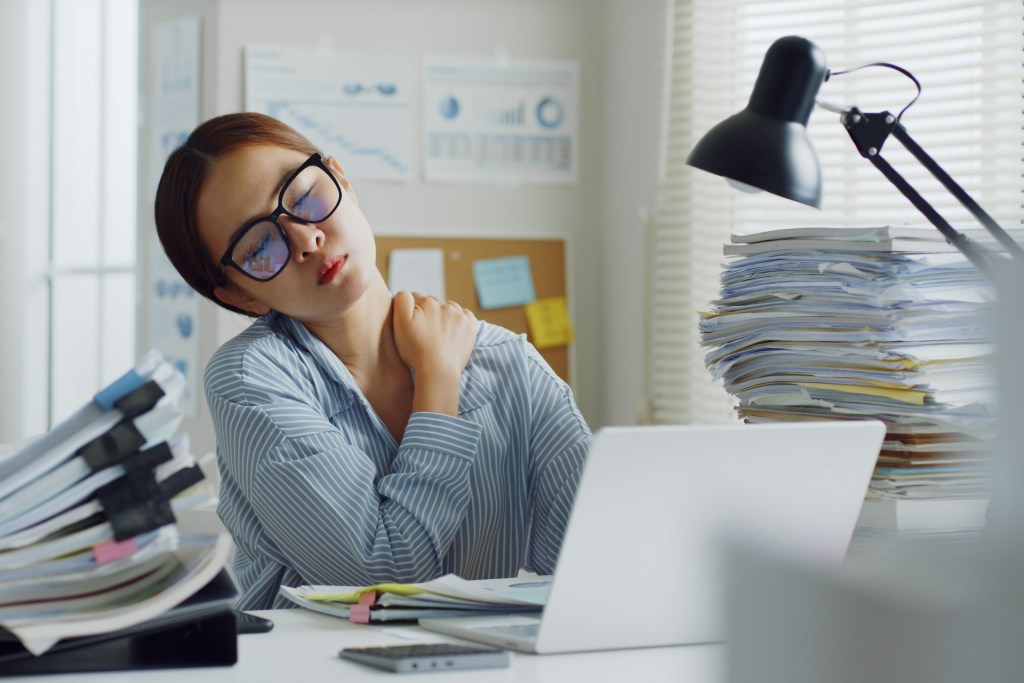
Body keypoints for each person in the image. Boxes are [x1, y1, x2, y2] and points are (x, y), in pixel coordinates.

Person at [154, 112, 592, 610]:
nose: (305, 239)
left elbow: (593, 557)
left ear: (341, 178)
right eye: (258, 246)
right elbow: (381, 577)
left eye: (303, 198)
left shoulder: (509, 363)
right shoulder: (250, 378)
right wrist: (438, 381)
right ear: (240, 296)